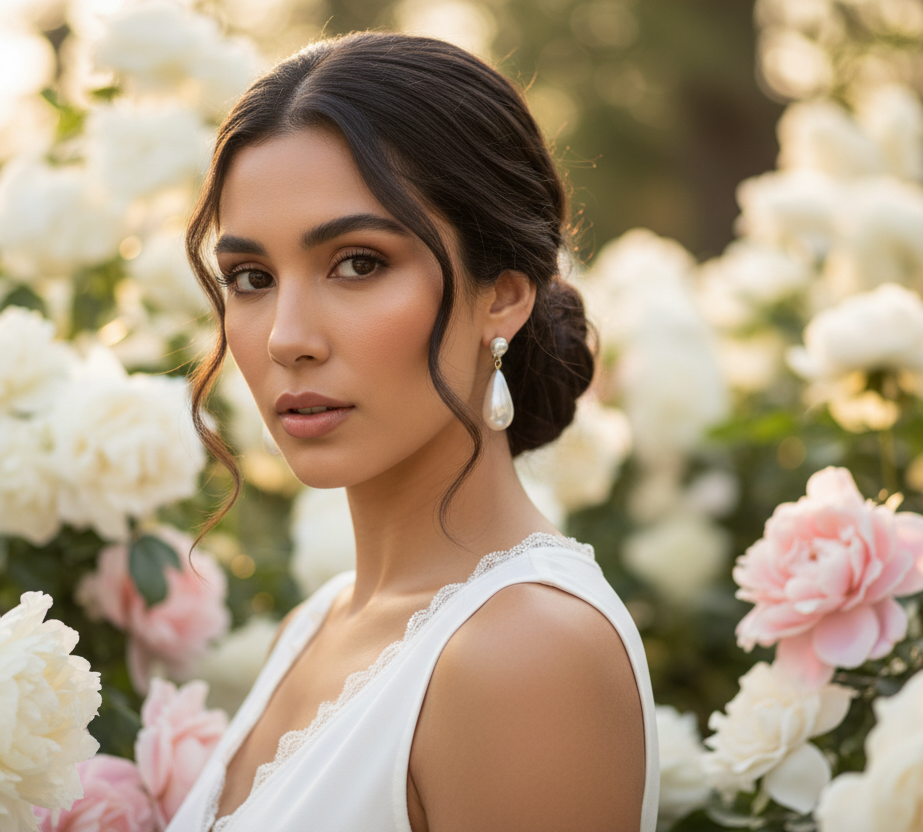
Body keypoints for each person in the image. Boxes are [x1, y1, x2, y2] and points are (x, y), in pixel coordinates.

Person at [166, 31, 659, 832]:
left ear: (502, 294)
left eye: (357, 263)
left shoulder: (530, 655)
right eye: (251, 278)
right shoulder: (313, 626)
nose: (287, 336)